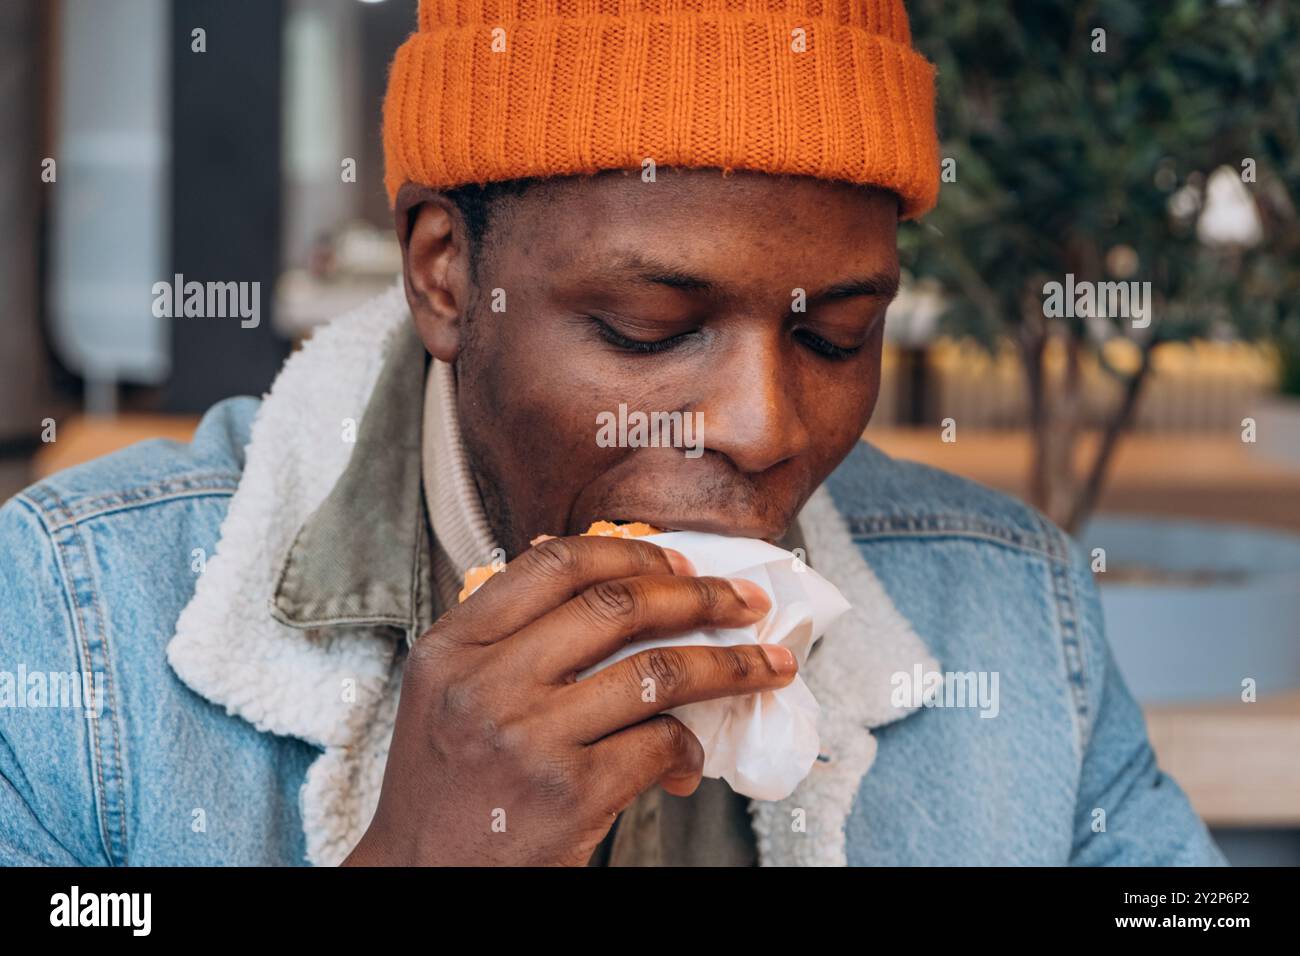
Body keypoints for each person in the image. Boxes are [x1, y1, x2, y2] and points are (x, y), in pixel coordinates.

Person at [0, 0, 1224, 866]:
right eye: (647, 329)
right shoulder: (77, 618)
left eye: (834, 336)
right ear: (443, 278)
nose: (760, 425)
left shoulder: (1021, 620)